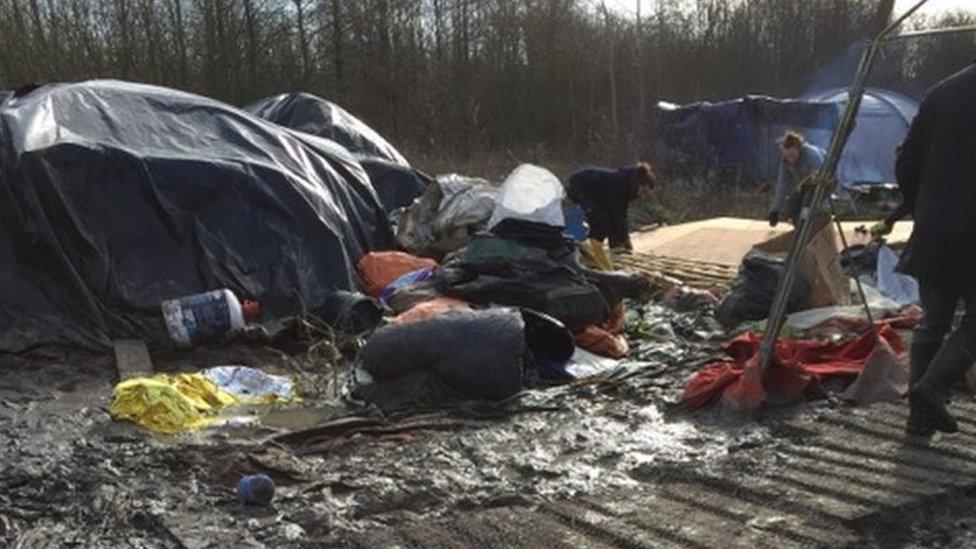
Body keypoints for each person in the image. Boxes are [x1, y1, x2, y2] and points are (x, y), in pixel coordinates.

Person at [896, 62, 975, 437]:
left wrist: (917, 204)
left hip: (936, 222)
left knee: (933, 320)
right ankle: (931, 387)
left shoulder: (941, 91)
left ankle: (918, 420)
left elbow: (906, 158)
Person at [566, 163, 655, 253]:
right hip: (578, 187)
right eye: (643, 191)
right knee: (601, 220)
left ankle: (607, 247)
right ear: (639, 184)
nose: (642, 196)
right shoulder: (620, 185)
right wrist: (624, 239)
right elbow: (617, 215)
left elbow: (621, 214)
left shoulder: (627, 186)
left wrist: (624, 238)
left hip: (595, 193)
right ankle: (590, 250)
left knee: (606, 217)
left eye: (646, 194)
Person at [768, 131, 825, 227]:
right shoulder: (785, 162)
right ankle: (798, 230)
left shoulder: (812, 155)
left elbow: (820, 177)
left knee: (807, 205)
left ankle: (807, 226)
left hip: (823, 182)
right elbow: (782, 187)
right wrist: (775, 211)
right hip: (804, 185)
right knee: (792, 206)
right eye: (787, 157)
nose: (790, 160)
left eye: (793, 156)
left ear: (799, 149)